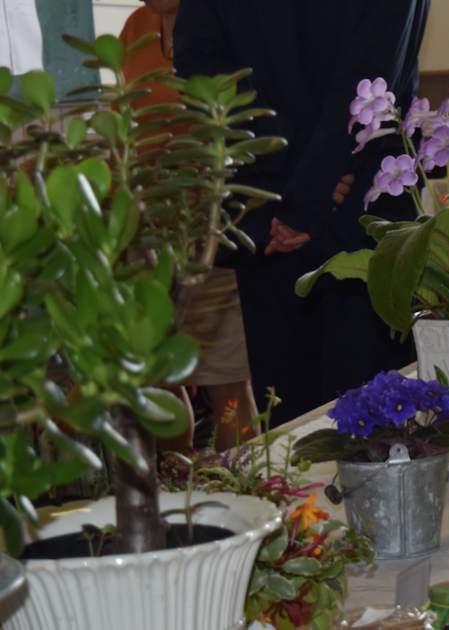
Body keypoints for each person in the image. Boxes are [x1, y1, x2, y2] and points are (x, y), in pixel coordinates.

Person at [173, 0, 428, 425]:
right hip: (362, 198)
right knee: (380, 432)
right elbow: (373, 71)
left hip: (267, 206)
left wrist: (283, 177)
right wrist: (313, 190)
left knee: (294, 431)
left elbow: (200, 64)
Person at [119, 0, 259, 451]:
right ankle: (178, 498)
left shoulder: (223, 24)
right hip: (146, 235)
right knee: (156, 378)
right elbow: (131, 127)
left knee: (225, 385)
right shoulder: (134, 28)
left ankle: (239, 498)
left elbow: (240, 128)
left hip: (211, 232)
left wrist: (210, 216)